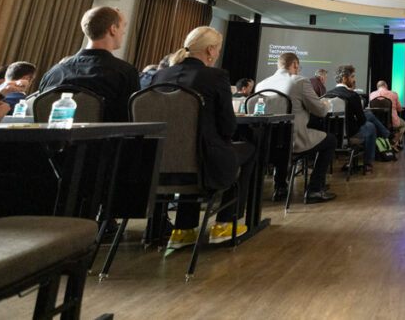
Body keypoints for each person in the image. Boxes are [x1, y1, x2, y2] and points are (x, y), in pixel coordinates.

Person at [152, 27, 256, 247]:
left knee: (191, 149)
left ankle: (183, 229)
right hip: (206, 163)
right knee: (248, 150)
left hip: (159, 164)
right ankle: (226, 224)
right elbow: (228, 127)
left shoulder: (160, 75)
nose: (217, 54)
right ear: (210, 49)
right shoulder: (215, 76)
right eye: (217, 49)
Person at [256, 52, 336, 203]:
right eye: (298, 67)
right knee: (330, 140)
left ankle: (280, 188)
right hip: (295, 140)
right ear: (294, 65)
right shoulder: (299, 81)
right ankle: (314, 189)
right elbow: (320, 111)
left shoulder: (261, 84)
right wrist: (325, 105)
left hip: (267, 143)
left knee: (280, 137)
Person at [37, 7, 139, 122]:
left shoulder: (53, 72)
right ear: (113, 29)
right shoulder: (125, 73)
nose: (124, 32)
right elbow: (128, 122)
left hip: (51, 138)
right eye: (123, 26)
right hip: (100, 139)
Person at [327, 64, 390, 173]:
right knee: (370, 126)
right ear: (344, 79)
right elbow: (362, 121)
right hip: (350, 134)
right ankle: (368, 163)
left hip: (331, 135)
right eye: (352, 77)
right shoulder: (352, 96)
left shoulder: (327, 95)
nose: (353, 80)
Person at [370, 80, 405, 148]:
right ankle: (394, 142)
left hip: (377, 123)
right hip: (391, 122)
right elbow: (399, 109)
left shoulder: (372, 94)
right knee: (404, 124)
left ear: (377, 87)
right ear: (386, 86)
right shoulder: (393, 94)